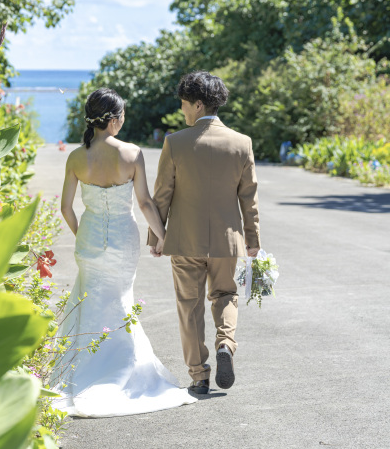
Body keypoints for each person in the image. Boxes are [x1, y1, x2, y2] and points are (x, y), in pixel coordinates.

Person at [50, 87, 196, 417]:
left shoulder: (76, 156)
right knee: (119, 298)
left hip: (88, 240)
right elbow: (145, 203)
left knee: (90, 300)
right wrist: (164, 236)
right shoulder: (132, 153)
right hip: (122, 239)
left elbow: (65, 208)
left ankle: (81, 367)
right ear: (115, 119)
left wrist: (81, 235)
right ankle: (120, 366)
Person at [148, 71, 261, 395]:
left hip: (185, 241)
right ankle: (226, 343)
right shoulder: (242, 144)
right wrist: (252, 241)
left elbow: (162, 196)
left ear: (197, 105)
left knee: (189, 305)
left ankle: (199, 375)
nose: (183, 111)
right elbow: (249, 199)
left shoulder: (175, 142)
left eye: (185, 104)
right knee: (225, 295)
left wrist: (157, 239)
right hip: (227, 242)